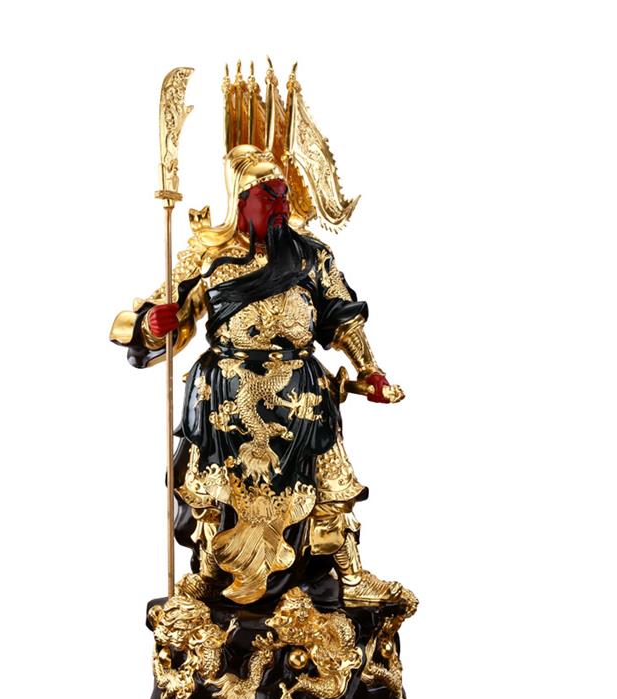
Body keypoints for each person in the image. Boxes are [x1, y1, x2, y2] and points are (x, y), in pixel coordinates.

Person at [111, 143, 405, 607]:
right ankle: (210, 575)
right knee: (211, 489)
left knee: (333, 485)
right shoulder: (207, 258)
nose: (282, 204)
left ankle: (349, 576)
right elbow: (166, 317)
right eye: (270, 195)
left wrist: (371, 370)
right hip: (224, 393)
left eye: (284, 194)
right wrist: (153, 325)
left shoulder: (311, 255)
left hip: (301, 392)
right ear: (241, 200)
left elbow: (342, 319)